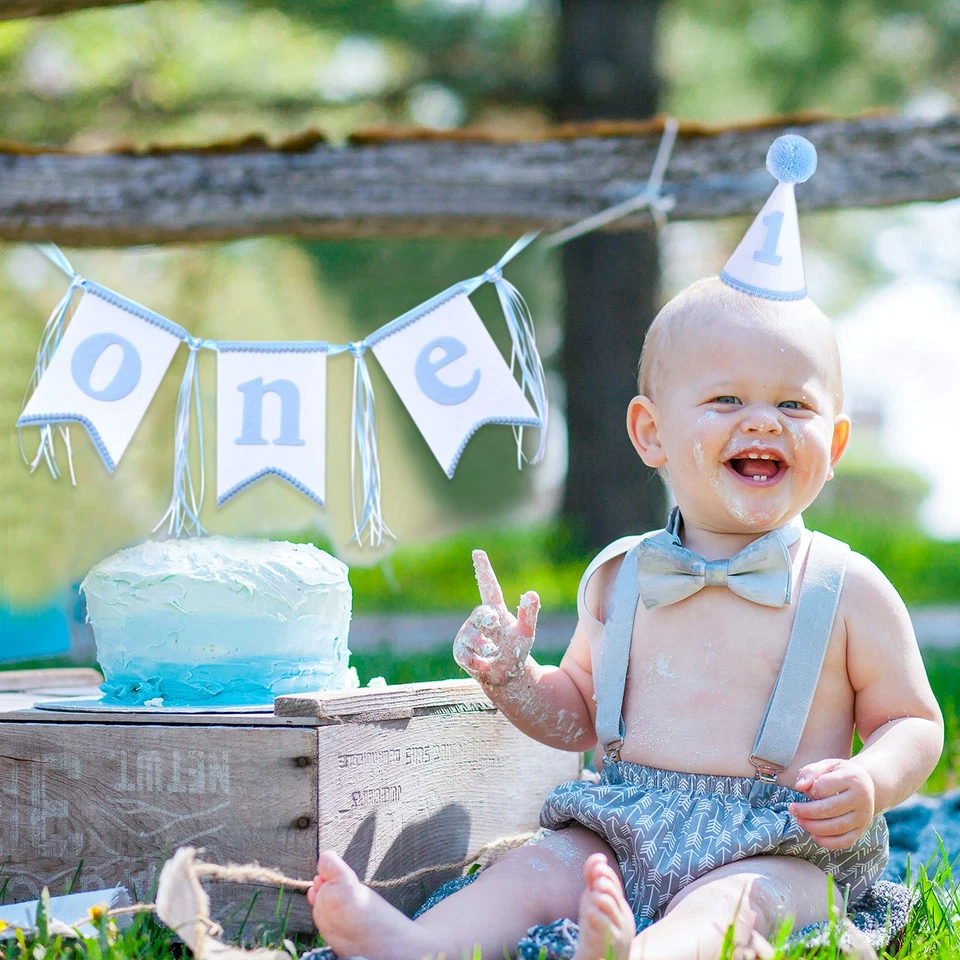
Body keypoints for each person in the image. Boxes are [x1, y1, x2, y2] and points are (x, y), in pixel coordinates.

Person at [307, 137, 944, 960]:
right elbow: (576, 713)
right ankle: (417, 944)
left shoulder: (846, 588)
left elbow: (913, 721)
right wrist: (513, 680)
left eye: (795, 403)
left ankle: (644, 952)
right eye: (725, 399)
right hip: (623, 821)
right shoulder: (622, 575)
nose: (763, 422)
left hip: (780, 844)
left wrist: (870, 781)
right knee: (538, 869)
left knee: (733, 905)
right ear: (651, 432)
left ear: (836, 441)